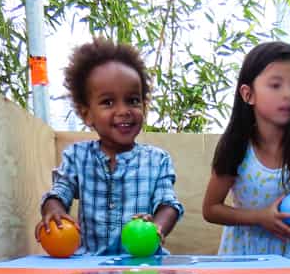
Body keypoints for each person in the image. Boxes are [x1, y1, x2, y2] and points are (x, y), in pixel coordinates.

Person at [37, 39, 183, 255]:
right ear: (86, 114)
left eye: (133, 100)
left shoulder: (157, 160)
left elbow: (168, 204)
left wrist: (156, 226)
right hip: (90, 264)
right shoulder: (77, 157)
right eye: (108, 102)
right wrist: (53, 210)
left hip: (142, 264)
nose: (124, 111)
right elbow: (60, 192)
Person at [202, 41, 290, 259]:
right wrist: (259, 218)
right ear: (248, 94)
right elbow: (211, 209)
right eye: (276, 85)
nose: (289, 95)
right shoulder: (236, 148)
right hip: (242, 262)